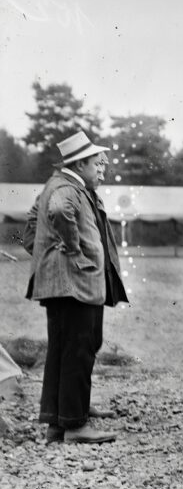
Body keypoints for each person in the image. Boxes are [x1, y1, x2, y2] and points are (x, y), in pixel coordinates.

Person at [23, 131, 127, 443]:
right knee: (78, 349)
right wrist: (72, 251)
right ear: (80, 164)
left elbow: (31, 226)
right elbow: (57, 212)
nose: (103, 168)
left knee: (67, 349)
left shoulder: (60, 185)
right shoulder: (67, 188)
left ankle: (61, 420)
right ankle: (75, 425)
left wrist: (46, 254)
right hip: (74, 283)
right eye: (97, 163)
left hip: (67, 283)